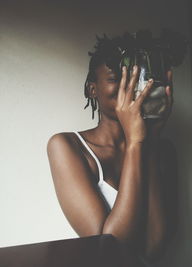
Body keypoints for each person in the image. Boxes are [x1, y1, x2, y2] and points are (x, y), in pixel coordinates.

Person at [47, 33, 178, 266]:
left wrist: (148, 142)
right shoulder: (67, 147)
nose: (129, 86)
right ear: (92, 90)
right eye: (118, 77)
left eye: (137, 77)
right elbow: (110, 251)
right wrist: (136, 142)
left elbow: (154, 248)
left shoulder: (162, 149)